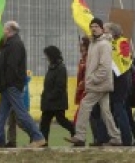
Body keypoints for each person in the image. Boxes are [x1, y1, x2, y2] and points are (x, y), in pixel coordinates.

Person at [0, 21, 47, 148]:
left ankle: (38, 137)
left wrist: (5, 83)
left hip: (11, 86)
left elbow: (12, 67)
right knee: (1, 114)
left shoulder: (15, 45)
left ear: (9, 30)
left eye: (4, 29)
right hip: (7, 86)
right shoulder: (10, 44)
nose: (2, 32)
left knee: (21, 114)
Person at [66, 17, 121, 147]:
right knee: (105, 111)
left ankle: (80, 136)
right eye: (92, 26)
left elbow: (105, 67)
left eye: (96, 26)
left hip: (99, 84)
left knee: (85, 105)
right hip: (100, 84)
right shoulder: (94, 44)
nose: (93, 28)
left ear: (102, 28)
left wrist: (92, 80)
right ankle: (116, 137)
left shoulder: (104, 45)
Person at [39, 45, 74, 142]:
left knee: (61, 120)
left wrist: (49, 97)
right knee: (44, 123)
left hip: (57, 102)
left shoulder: (61, 68)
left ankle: (75, 132)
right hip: (49, 101)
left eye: (47, 55)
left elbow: (60, 86)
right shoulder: (52, 67)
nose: (46, 58)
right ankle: (43, 141)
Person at [74, 37, 90, 123]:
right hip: (82, 87)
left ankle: (75, 132)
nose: (80, 47)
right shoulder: (82, 59)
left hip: (87, 88)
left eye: (82, 45)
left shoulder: (88, 57)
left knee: (80, 112)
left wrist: (83, 84)